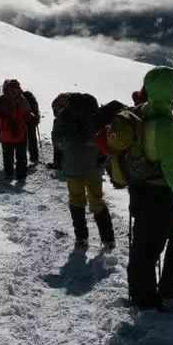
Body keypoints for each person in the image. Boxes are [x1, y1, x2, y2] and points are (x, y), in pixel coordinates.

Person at [114, 66, 173, 311]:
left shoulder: (142, 111)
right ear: (167, 89)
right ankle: (147, 301)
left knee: (150, 243)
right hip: (159, 194)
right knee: (152, 247)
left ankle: (154, 293)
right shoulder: (164, 124)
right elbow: (171, 168)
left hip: (140, 188)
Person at [52, 92, 115, 249]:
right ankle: (108, 239)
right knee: (96, 202)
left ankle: (82, 238)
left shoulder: (63, 117)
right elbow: (106, 142)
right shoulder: (96, 116)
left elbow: (57, 141)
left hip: (74, 166)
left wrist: (70, 140)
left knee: (77, 201)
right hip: (92, 166)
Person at [0, 79, 33, 183]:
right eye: (12, 88)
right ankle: (18, 175)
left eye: (15, 88)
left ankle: (12, 174)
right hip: (14, 133)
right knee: (18, 156)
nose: (14, 90)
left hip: (11, 133)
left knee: (12, 155)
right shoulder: (21, 100)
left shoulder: (1, 100)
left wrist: (2, 121)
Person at [49, 93, 69, 170]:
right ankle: (59, 163)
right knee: (60, 143)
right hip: (62, 125)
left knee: (58, 143)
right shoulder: (67, 105)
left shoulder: (58, 104)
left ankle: (58, 163)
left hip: (62, 126)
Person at [23, 89, 40, 165]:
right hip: (32, 123)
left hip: (25, 123)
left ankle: (23, 158)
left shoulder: (22, 100)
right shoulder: (33, 102)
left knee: (23, 141)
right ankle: (34, 158)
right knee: (32, 140)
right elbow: (36, 114)